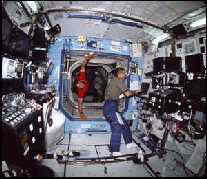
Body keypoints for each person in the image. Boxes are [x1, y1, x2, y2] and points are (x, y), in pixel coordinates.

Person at [103, 67, 140, 156]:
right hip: (110, 107)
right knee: (117, 126)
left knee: (124, 124)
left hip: (111, 106)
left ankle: (129, 143)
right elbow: (127, 93)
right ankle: (114, 150)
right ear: (119, 74)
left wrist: (124, 95)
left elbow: (118, 95)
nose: (125, 75)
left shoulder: (113, 81)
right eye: (124, 73)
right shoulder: (118, 81)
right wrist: (136, 92)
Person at [75, 52, 96, 120]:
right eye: (79, 86)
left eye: (79, 83)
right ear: (78, 88)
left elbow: (83, 66)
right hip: (89, 88)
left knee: (90, 74)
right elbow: (80, 103)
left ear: (79, 81)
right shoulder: (81, 93)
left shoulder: (81, 78)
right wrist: (81, 113)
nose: (80, 85)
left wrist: (87, 59)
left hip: (87, 80)